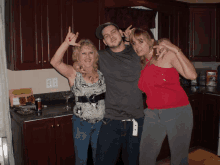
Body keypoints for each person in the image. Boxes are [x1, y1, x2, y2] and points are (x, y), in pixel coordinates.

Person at [129, 28, 197, 165]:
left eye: (140, 41)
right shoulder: (141, 64)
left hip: (178, 111)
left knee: (179, 158)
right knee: (145, 157)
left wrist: (175, 49)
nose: (137, 46)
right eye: (133, 43)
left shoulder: (167, 55)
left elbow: (192, 75)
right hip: (153, 113)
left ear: (151, 41)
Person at [50, 27, 106, 165]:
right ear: (78, 56)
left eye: (91, 53)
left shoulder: (102, 72)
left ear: (95, 55)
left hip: (101, 123)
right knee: (82, 160)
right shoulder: (73, 73)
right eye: (84, 53)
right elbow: (55, 62)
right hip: (82, 124)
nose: (88, 56)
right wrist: (66, 44)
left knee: (100, 158)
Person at [92, 22, 144, 165]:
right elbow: (79, 62)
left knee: (133, 162)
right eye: (106, 36)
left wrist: (131, 39)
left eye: (113, 32)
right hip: (110, 120)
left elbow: (153, 47)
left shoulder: (137, 52)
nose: (111, 36)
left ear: (121, 32)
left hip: (136, 120)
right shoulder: (100, 56)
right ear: (104, 41)